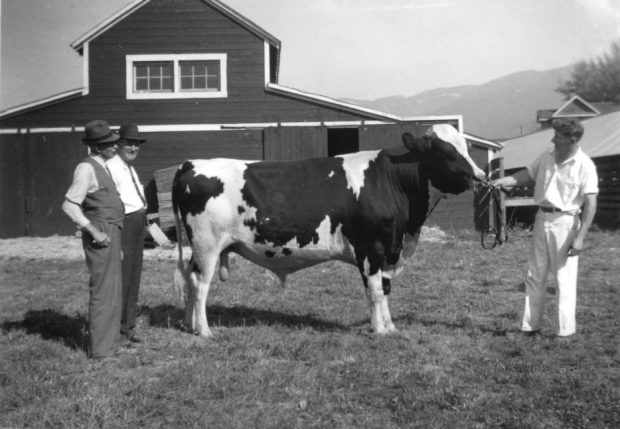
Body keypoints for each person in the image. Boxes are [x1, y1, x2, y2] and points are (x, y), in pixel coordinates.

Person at [492, 118, 598, 337]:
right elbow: (529, 175)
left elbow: (591, 203)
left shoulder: (585, 165)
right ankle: (530, 327)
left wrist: (580, 238)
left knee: (563, 279)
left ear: (573, 139)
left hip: (566, 223)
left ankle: (564, 332)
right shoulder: (547, 156)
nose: (553, 139)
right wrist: (508, 180)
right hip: (542, 219)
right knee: (535, 274)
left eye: (558, 136)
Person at [62, 120, 124, 360]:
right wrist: (93, 231)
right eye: (108, 144)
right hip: (100, 233)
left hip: (112, 232)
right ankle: (100, 350)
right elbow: (69, 205)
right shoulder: (86, 168)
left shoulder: (103, 166)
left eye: (113, 142)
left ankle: (110, 345)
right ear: (96, 147)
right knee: (103, 290)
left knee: (113, 289)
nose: (114, 147)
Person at [107, 124, 148, 344]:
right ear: (118, 143)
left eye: (137, 144)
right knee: (123, 277)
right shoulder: (111, 167)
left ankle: (128, 327)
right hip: (125, 224)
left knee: (134, 277)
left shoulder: (129, 167)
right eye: (129, 142)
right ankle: (118, 331)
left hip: (138, 222)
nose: (134, 147)